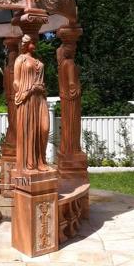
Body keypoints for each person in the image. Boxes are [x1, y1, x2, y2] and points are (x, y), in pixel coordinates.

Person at [13, 34, 49, 171]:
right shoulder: (20, 60)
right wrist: (27, 90)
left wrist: (40, 87)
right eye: (33, 40)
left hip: (41, 98)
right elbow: (16, 82)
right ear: (26, 43)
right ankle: (32, 163)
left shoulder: (38, 60)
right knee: (31, 130)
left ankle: (41, 159)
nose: (35, 43)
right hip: (28, 99)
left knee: (44, 129)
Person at [57, 42, 81, 153]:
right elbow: (72, 84)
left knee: (66, 124)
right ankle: (72, 148)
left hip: (64, 98)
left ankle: (66, 147)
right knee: (72, 124)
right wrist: (77, 90)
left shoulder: (61, 65)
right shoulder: (70, 63)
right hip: (71, 99)